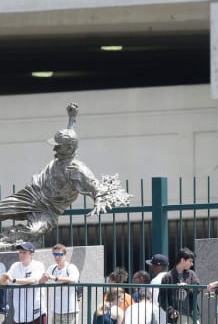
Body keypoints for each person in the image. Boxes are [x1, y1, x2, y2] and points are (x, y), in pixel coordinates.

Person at [0, 103, 126, 249]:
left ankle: (9, 238)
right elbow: (70, 133)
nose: (54, 148)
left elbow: (94, 187)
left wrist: (98, 200)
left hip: (49, 209)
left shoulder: (77, 169)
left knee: (34, 231)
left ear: (70, 148)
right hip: (33, 194)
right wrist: (72, 118)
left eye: (58, 146)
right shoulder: (65, 150)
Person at [0, 242, 47, 324]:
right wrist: (3, 279)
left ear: (31, 254)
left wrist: (14, 280)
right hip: (19, 315)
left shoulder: (37, 265)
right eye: (20, 252)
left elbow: (33, 280)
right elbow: (4, 282)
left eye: (24, 252)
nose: (21, 255)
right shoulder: (15, 266)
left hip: (36, 313)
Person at [38, 243, 80, 324]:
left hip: (70, 309)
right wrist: (43, 279)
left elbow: (74, 279)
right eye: (55, 255)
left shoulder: (71, 267)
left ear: (65, 255)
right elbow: (41, 281)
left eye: (60, 255)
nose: (57, 257)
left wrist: (55, 278)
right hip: (56, 310)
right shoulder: (52, 268)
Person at [159, 248, 201, 324]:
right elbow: (162, 298)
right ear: (182, 260)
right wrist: (170, 311)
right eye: (190, 261)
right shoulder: (168, 277)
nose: (192, 264)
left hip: (192, 313)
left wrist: (187, 287)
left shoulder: (191, 274)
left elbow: (197, 290)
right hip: (178, 316)